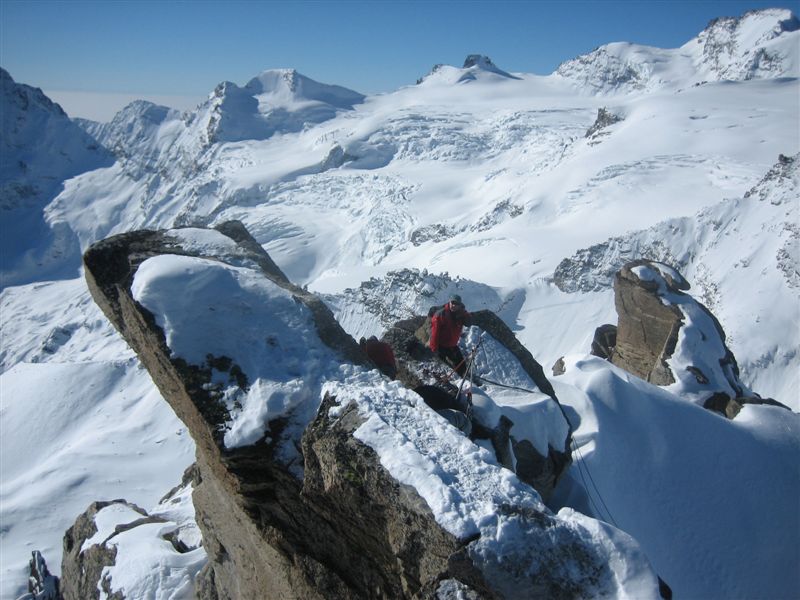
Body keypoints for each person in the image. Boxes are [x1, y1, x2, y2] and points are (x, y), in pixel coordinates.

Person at [429, 294, 471, 376]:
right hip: (441, 346)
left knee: (461, 366)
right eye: (452, 302)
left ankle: (462, 379)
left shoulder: (460, 314)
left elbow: (468, 323)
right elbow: (434, 333)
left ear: (460, 305)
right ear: (449, 302)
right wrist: (434, 349)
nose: (454, 305)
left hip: (452, 345)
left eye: (457, 304)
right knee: (443, 368)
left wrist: (465, 314)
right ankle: (457, 380)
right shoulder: (441, 314)